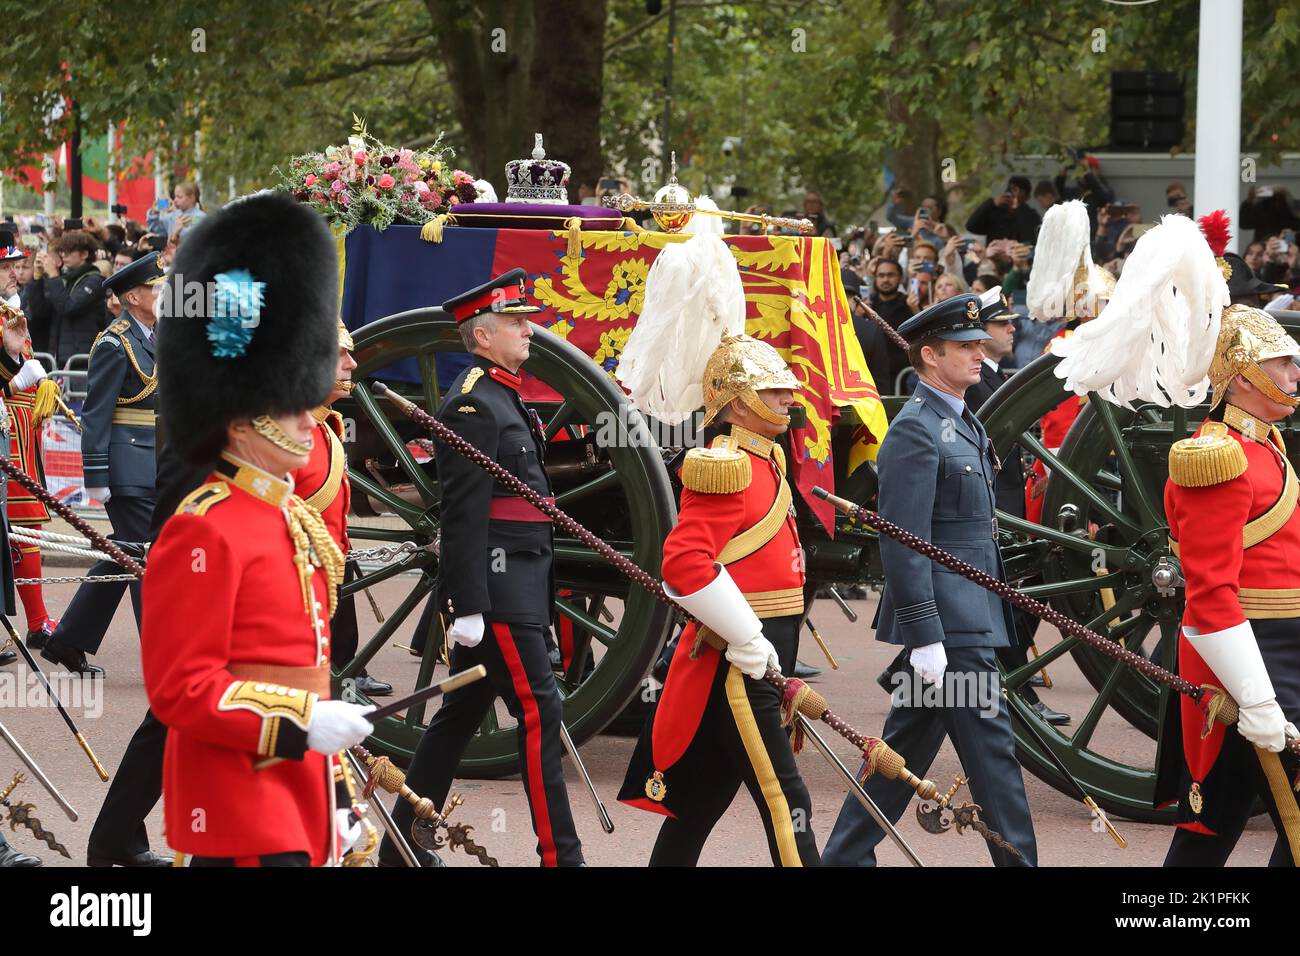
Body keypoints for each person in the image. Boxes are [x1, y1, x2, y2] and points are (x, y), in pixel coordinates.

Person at [141, 189, 375, 867]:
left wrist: (336, 796)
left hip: (296, 782)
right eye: (290, 406)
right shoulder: (203, 529)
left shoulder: (282, 514)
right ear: (241, 420)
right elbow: (184, 691)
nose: (310, 419)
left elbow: (303, 665)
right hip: (236, 800)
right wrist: (303, 724)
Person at [822, 293, 1038, 867]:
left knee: (900, 756)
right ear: (928, 355)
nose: (978, 353)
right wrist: (925, 635)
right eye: (963, 347)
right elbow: (904, 539)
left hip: (968, 617)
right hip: (950, 626)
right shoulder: (917, 429)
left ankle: (842, 859)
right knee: (995, 762)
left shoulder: (959, 420)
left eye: (976, 344)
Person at [377, 268, 584, 868]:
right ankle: (561, 858)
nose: (529, 329)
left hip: (517, 581)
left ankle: (399, 850)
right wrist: (467, 604)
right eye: (517, 322)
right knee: (540, 715)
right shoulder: (473, 403)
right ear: (484, 334)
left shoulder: (503, 393)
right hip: (498, 592)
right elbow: (463, 516)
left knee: (459, 713)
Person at [41, 255, 164, 677]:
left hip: (153, 463)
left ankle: (68, 640)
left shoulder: (153, 336)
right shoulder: (115, 343)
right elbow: (96, 413)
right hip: (127, 468)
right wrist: (96, 475)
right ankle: (164, 658)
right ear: (133, 296)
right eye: (155, 288)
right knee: (148, 558)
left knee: (123, 554)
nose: (162, 294)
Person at [964, 289, 1069, 726]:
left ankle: (909, 677)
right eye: (1002, 323)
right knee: (1008, 600)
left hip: (1010, 499)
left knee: (1014, 598)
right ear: (979, 333)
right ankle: (1018, 691)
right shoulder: (977, 383)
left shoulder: (993, 376)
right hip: (995, 505)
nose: (1012, 329)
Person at [291, 321, 391, 698]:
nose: (352, 363)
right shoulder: (282, 432)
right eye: (339, 355)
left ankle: (343, 671)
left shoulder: (324, 425)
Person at [24, 230, 107, 366]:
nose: (63, 255)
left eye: (69, 251)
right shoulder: (66, 280)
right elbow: (40, 311)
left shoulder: (95, 281)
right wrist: (37, 277)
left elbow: (69, 306)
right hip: (59, 357)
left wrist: (53, 275)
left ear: (84, 254)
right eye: (62, 251)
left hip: (82, 359)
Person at [964, 176, 1041, 243]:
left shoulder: (1031, 216)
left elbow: (1029, 238)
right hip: (995, 256)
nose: (1014, 194)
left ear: (1027, 197)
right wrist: (991, 203)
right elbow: (971, 226)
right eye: (1012, 189)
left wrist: (1018, 208)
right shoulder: (996, 213)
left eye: (1019, 191)